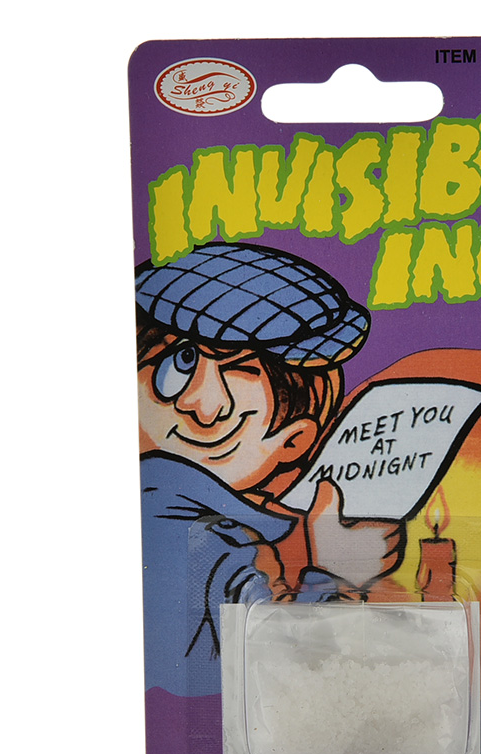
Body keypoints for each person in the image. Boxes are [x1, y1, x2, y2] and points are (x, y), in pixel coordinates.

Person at [135, 242, 405, 697]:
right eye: (181, 361)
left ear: (294, 439)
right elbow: (288, 664)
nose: (200, 404)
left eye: (239, 373)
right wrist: (335, 568)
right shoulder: (201, 528)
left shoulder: (198, 518)